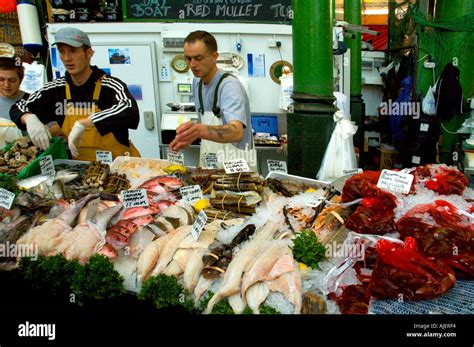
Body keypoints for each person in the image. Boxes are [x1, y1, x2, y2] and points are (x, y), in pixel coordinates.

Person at [11, 27, 140, 161]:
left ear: (89, 53)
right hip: (82, 169)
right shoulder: (55, 89)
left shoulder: (110, 86)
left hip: (121, 166)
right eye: (62, 51)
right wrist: (28, 118)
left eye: (73, 51)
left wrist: (84, 123)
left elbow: (129, 109)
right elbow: (19, 106)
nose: (67, 58)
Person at [169, 31, 256, 169]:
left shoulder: (229, 86)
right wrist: (190, 135)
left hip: (236, 164)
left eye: (198, 58)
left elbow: (236, 132)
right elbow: (206, 122)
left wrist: (198, 131)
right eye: (188, 58)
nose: (192, 65)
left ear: (214, 56)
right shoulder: (197, 82)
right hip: (209, 161)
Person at [0, 56, 24, 147]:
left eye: (12, 80)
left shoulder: (34, 100)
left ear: (20, 80)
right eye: (1, 80)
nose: (7, 85)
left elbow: (58, 126)